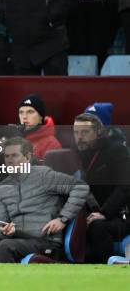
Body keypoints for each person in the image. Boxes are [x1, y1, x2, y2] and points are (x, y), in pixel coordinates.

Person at [0, 137, 89, 263]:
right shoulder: (2, 188)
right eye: (6, 156)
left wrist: (62, 219)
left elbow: (80, 187)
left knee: (6, 246)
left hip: (45, 242)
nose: (9, 160)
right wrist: (3, 231)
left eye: (14, 155)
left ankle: (9, 282)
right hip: (15, 240)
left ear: (27, 157)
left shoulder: (45, 176)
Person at [73, 113, 130, 263]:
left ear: (98, 131)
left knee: (97, 226)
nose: (79, 137)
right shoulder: (78, 155)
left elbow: (124, 187)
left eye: (85, 132)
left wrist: (104, 213)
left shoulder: (117, 150)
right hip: (92, 214)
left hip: (120, 216)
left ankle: (106, 266)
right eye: (76, 132)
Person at [17, 94, 61, 161]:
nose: (24, 116)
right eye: (21, 112)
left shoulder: (52, 144)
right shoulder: (14, 137)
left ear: (41, 117)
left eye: (30, 112)